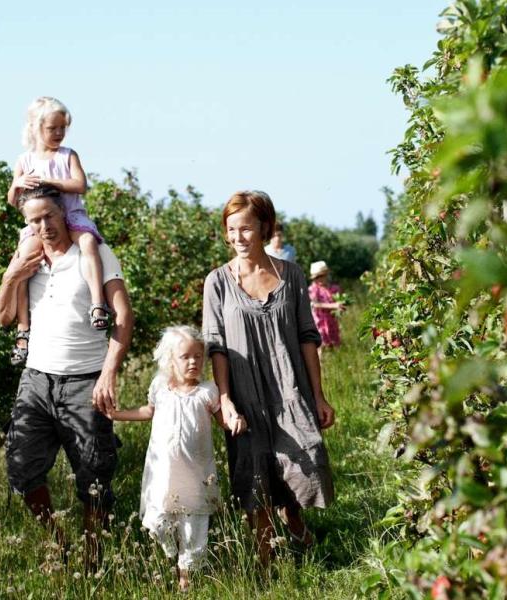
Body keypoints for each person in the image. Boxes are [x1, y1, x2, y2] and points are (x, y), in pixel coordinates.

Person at [0, 184, 134, 572]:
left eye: (49, 217)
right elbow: (4, 317)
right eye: (34, 221)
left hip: (85, 380)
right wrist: (13, 275)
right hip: (36, 380)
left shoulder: (94, 253)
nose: (44, 226)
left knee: (94, 477)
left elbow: (123, 316)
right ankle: (58, 542)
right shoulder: (28, 258)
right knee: (21, 469)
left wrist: (108, 373)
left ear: (64, 214)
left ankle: (94, 558)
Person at [202, 190, 334, 567]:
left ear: (264, 228)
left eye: (246, 229)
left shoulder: (289, 275)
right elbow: (217, 346)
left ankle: (294, 524)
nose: (238, 237)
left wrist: (319, 396)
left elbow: (309, 338)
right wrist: (225, 401)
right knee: (253, 473)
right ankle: (264, 563)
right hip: (244, 394)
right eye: (231, 230)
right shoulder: (217, 282)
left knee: (304, 462)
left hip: (291, 387)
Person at [108, 326, 231, 592]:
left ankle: (186, 572)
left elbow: (224, 422)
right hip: (163, 472)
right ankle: (171, 555)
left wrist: (238, 420)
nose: (193, 362)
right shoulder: (160, 387)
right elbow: (148, 411)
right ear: (170, 360)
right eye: (186, 356)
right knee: (160, 520)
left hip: (196, 475)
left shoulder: (208, 392)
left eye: (198, 356)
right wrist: (117, 415)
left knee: (193, 524)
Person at [6, 96, 111, 366]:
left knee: (87, 242)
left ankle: (97, 304)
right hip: (41, 223)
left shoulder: (67, 155)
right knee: (23, 263)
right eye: (53, 128)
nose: (59, 133)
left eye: (63, 128)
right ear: (36, 128)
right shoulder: (25, 160)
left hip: (71, 214)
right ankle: (23, 330)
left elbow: (81, 185)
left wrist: (48, 181)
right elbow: (11, 200)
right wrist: (18, 182)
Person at [307, 261, 343, 359]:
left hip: (332, 321)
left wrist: (340, 307)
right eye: (316, 277)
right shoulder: (313, 289)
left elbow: (339, 302)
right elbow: (315, 304)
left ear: (326, 275)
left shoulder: (334, 288)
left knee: (333, 343)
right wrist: (333, 306)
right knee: (321, 344)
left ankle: (336, 364)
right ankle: (322, 367)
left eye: (321, 276)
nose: (319, 279)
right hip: (319, 321)